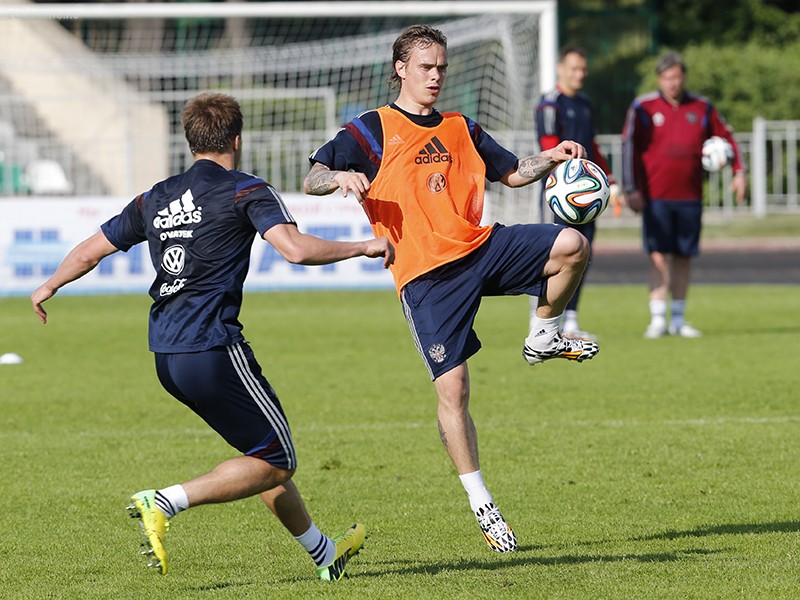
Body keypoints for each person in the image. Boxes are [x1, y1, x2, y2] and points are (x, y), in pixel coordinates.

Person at [31, 92, 395, 581]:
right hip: (213, 347)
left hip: (166, 355)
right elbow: (295, 249)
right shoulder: (246, 190)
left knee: (258, 454)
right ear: (237, 140)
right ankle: (165, 501)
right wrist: (364, 245)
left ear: (190, 142)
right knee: (277, 459)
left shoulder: (156, 197)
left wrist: (49, 283)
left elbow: (91, 251)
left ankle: (323, 554)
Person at [303, 25, 599, 554]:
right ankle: (482, 502)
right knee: (455, 391)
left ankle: (544, 335)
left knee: (572, 245)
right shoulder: (373, 129)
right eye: (425, 67)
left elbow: (511, 173)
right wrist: (339, 178)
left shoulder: (462, 126)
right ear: (401, 69)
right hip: (425, 276)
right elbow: (313, 175)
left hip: (480, 248)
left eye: (441, 67)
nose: (436, 76)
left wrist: (551, 158)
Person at [622, 51, 746, 338]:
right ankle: (656, 319)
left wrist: (739, 171)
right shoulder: (643, 107)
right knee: (657, 254)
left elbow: (727, 137)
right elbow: (629, 147)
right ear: (659, 79)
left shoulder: (702, 107)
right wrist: (631, 188)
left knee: (683, 256)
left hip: (690, 196)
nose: (672, 83)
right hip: (655, 196)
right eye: (667, 78)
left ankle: (678, 318)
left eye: (676, 77)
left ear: (683, 77)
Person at [533, 45, 623, 340]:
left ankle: (570, 320)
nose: (580, 74)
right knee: (555, 255)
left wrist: (609, 181)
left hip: (588, 196)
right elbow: (549, 147)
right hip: (559, 194)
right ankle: (543, 321)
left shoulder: (585, 104)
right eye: (574, 68)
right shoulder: (550, 104)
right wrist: (566, 180)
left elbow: (593, 146)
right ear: (560, 69)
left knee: (583, 254)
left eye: (583, 69)